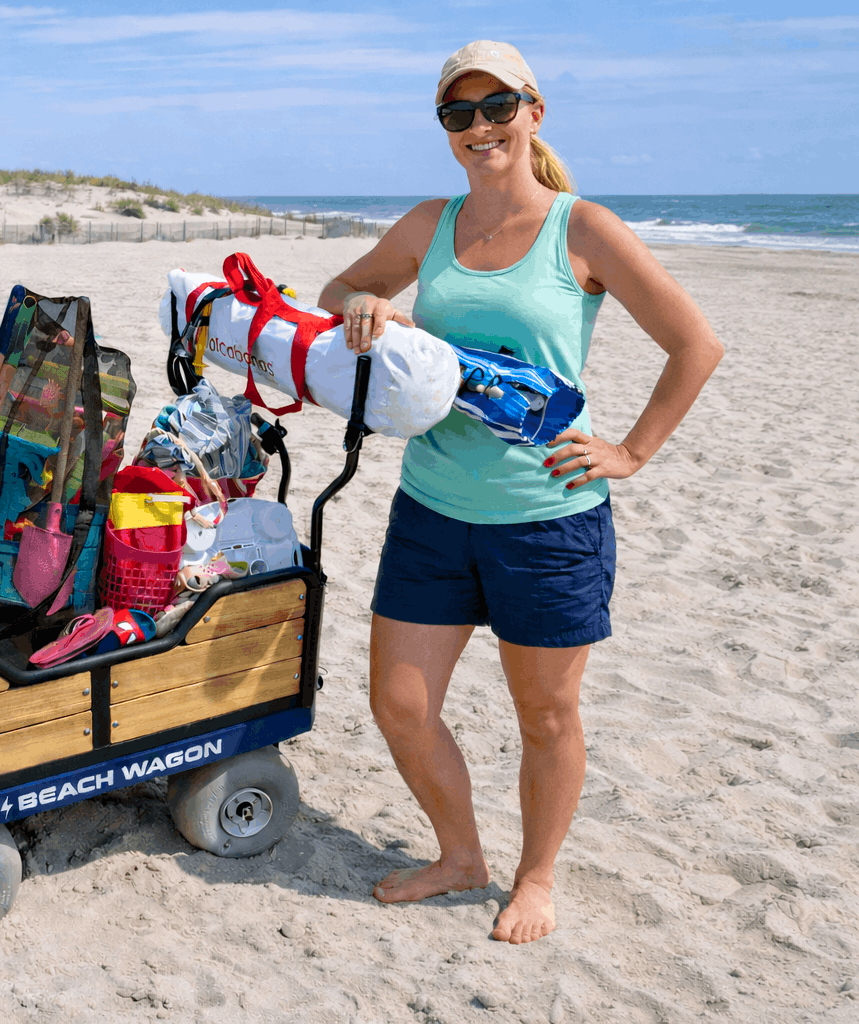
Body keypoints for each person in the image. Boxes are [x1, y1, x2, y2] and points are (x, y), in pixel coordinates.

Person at [317, 40, 722, 944]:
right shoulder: (430, 224)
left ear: (534, 111)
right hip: (430, 509)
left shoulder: (583, 229)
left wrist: (632, 451)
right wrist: (369, 308)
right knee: (401, 705)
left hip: (546, 521)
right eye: (458, 115)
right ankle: (461, 856)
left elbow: (696, 345)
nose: (479, 127)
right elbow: (341, 288)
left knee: (544, 713)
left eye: (497, 107)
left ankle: (536, 877)